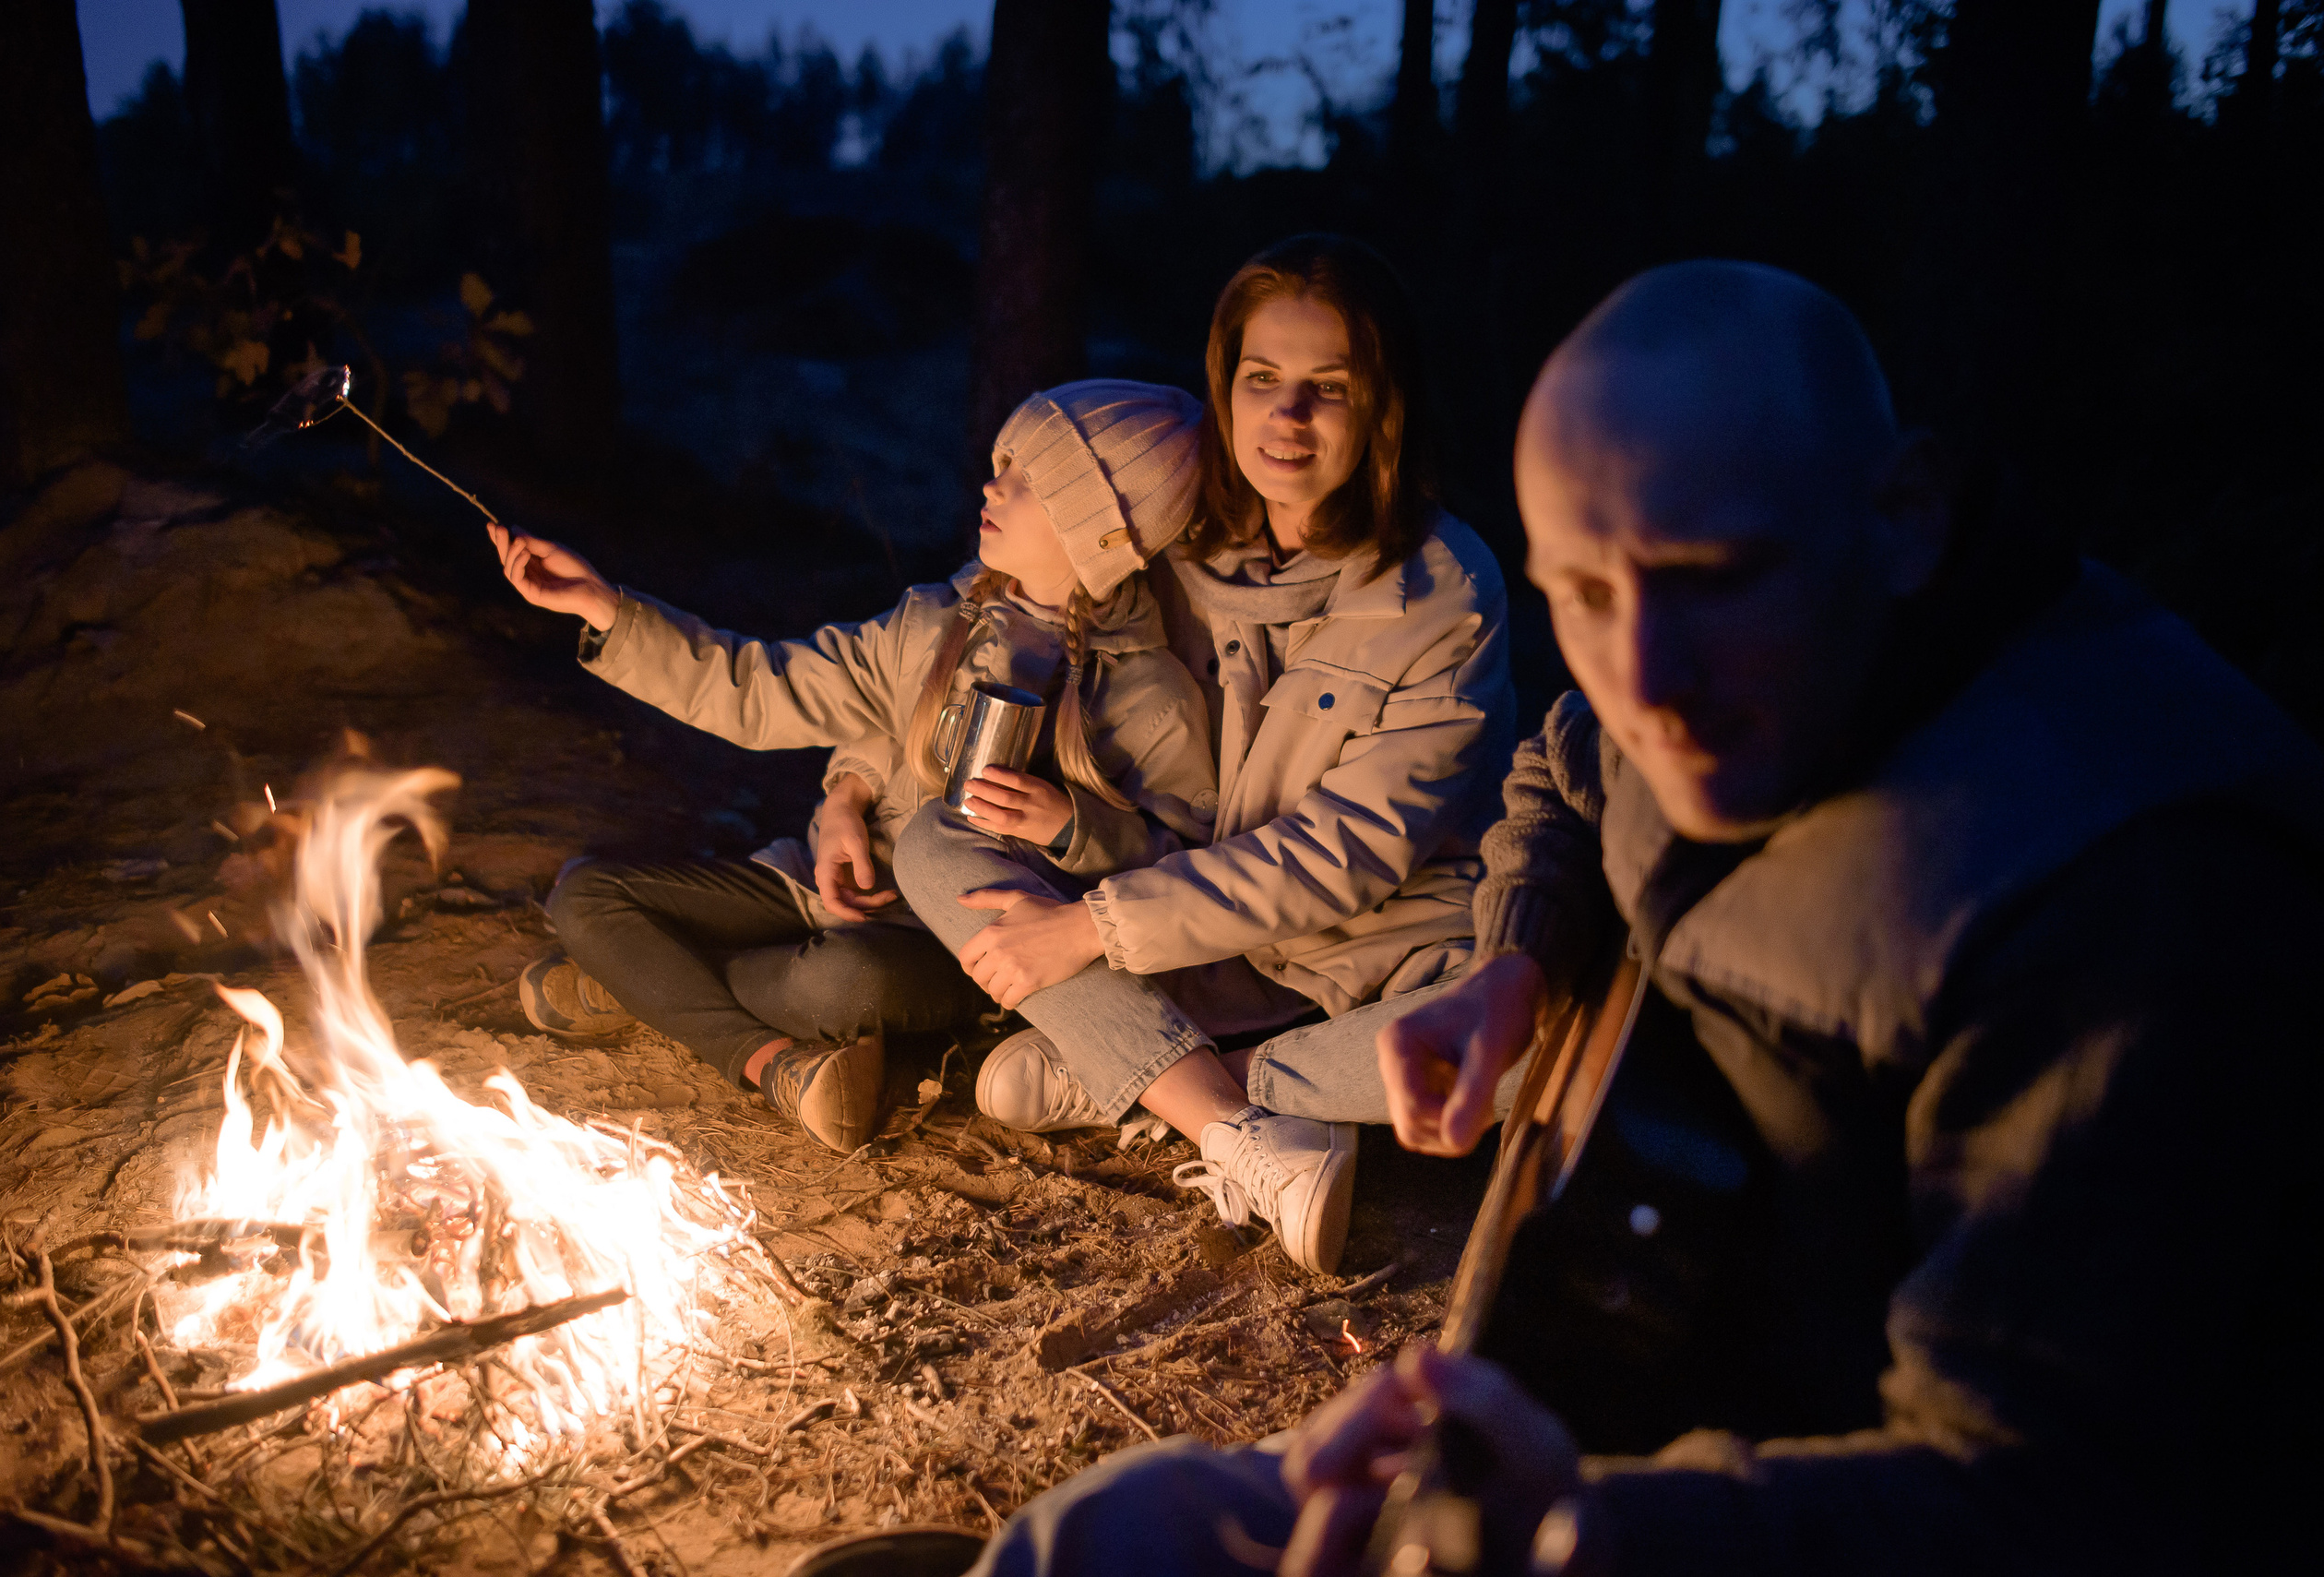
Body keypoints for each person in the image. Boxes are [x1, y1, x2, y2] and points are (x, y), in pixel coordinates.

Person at [958, 261, 2322, 1575]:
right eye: (1586, 597)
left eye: (1710, 577)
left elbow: (2044, 1502)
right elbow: (1568, 756)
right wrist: (1516, 967)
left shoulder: (2120, 886)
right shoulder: (1716, 682)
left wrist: (1590, 1530)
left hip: (1773, 1508)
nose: (1648, 678)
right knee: (1107, 1532)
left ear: (1903, 516)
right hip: (1627, 1383)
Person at [891, 234, 1515, 1273]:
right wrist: (852, 777)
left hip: (1373, 960)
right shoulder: (1175, 541)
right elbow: (979, 607)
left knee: (1511, 1056)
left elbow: (1341, 852)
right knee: (934, 836)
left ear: (1383, 406)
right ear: (1224, 387)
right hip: (1196, 931)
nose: (1288, 416)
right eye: (1262, 379)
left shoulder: (1442, 590)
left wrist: (1088, 932)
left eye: (1329, 388)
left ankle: (1178, 1077)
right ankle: (1238, 1129)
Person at [485, 380, 1217, 1154]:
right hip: (818, 886)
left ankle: (703, 1019)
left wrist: (1071, 827)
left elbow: (1178, 869)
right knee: (586, 897)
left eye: (1028, 480)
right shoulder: (933, 620)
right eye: (1003, 463)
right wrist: (604, 608)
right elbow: (763, 685)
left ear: (1094, 528)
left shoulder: (1149, 695)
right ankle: (670, 989)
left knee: (841, 985)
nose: (990, 485)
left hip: (944, 956)